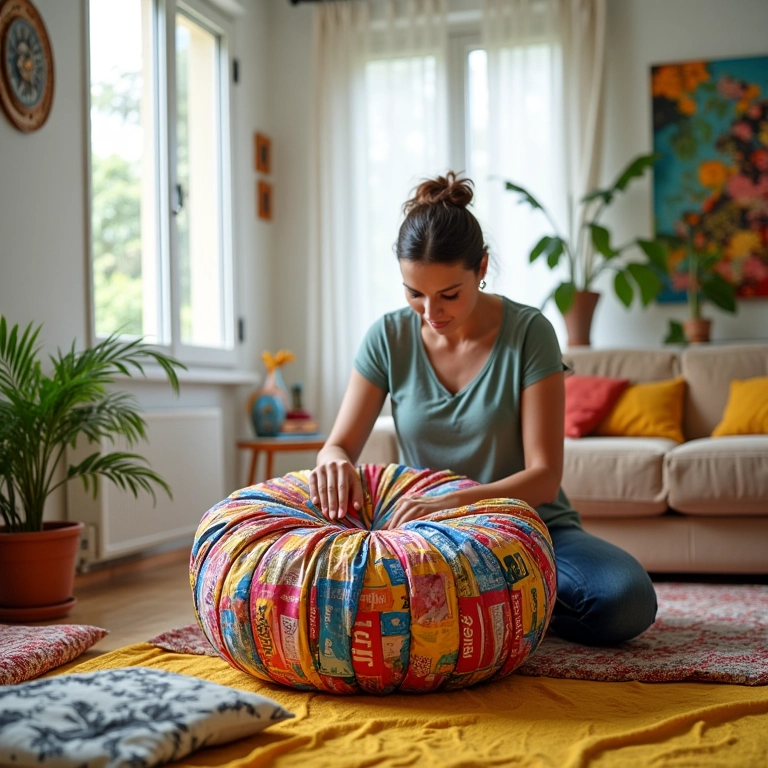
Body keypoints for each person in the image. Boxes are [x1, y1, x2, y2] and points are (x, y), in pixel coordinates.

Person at [309, 171, 657, 647]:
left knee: (625, 601)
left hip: (532, 526)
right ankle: (513, 609)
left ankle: (513, 608)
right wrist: (331, 462)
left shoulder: (529, 332)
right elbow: (339, 445)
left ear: (482, 267)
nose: (432, 313)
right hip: (428, 540)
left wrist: (450, 503)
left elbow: (544, 476)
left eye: (448, 294)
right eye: (415, 294)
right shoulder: (387, 337)